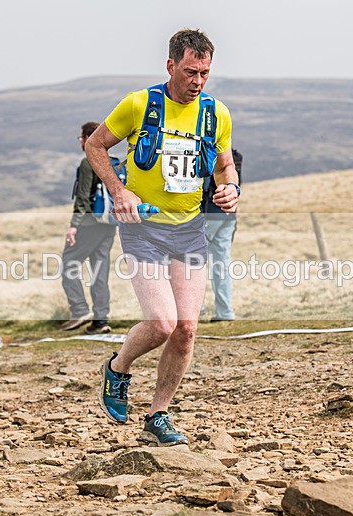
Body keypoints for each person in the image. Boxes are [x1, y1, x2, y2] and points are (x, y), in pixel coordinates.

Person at [86, 29, 239, 446]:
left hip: (189, 231)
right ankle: (118, 368)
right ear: (171, 66)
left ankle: (158, 414)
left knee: (185, 330)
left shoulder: (216, 114)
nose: (197, 81)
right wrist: (119, 192)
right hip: (144, 229)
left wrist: (231, 188)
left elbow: (224, 166)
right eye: (190, 72)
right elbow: (96, 147)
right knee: (161, 323)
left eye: (204, 73)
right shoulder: (139, 104)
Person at [60, 122, 117, 334]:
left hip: (89, 224)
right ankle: (101, 320)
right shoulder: (113, 161)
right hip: (109, 224)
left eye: (81, 138)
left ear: (87, 138)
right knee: (99, 272)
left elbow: (83, 197)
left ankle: (80, 310)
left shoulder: (88, 162)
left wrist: (74, 226)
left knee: (68, 263)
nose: (81, 142)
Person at [203, 148, 242, 322]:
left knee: (191, 260)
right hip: (228, 215)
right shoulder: (233, 158)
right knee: (222, 263)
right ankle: (225, 312)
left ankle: (195, 309)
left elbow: (203, 188)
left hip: (208, 214)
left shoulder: (207, 152)